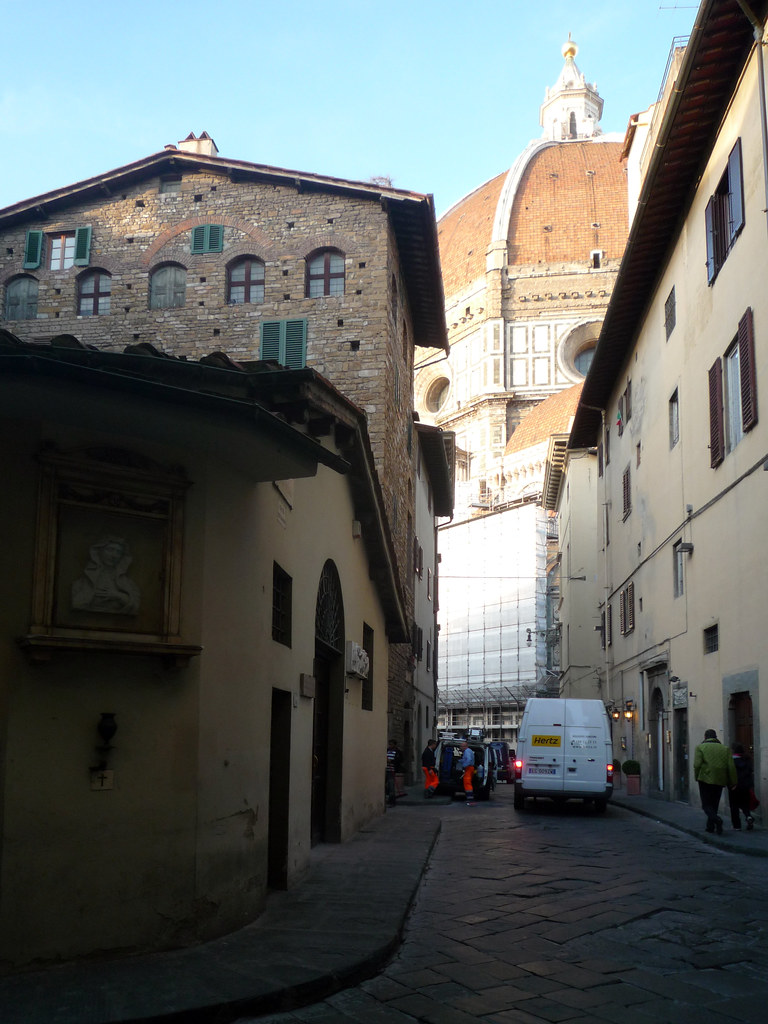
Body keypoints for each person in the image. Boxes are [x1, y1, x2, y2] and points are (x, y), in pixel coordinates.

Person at [71, 535, 141, 615]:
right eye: (110, 550)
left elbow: (135, 606)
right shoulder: (84, 581)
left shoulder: (128, 583)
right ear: (99, 551)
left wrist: (117, 595)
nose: (114, 555)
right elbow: (77, 604)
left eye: (118, 552)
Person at [693, 728, 736, 834]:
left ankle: (716, 820)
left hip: (705, 779)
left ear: (705, 737)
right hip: (720, 779)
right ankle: (711, 827)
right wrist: (733, 781)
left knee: (706, 805)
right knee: (714, 803)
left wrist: (696, 776)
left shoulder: (700, 747)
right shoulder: (725, 749)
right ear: (716, 737)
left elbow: (697, 765)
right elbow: (731, 767)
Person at [729, 742, 755, 830]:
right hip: (745, 786)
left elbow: (729, 773)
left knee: (734, 806)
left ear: (733, 750)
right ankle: (748, 816)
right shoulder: (747, 760)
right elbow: (750, 772)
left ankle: (736, 826)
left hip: (734, 786)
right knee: (745, 804)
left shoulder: (731, 761)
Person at [459, 740, 476, 806]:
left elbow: (468, 760)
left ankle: (470, 799)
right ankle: (469, 798)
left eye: (462, 746)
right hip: (470, 768)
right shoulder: (468, 751)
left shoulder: (467, 751)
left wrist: (464, 765)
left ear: (466, 746)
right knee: (468, 782)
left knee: (467, 782)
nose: (461, 748)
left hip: (468, 768)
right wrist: (460, 760)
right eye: (461, 746)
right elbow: (465, 759)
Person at [385, 739, 400, 807]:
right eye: (389, 744)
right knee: (386, 786)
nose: (390, 745)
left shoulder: (397, 752)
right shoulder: (387, 750)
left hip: (392, 771)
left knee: (391, 787)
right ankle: (386, 799)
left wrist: (391, 761)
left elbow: (399, 761)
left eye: (391, 744)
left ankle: (392, 802)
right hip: (386, 770)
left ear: (394, 745)